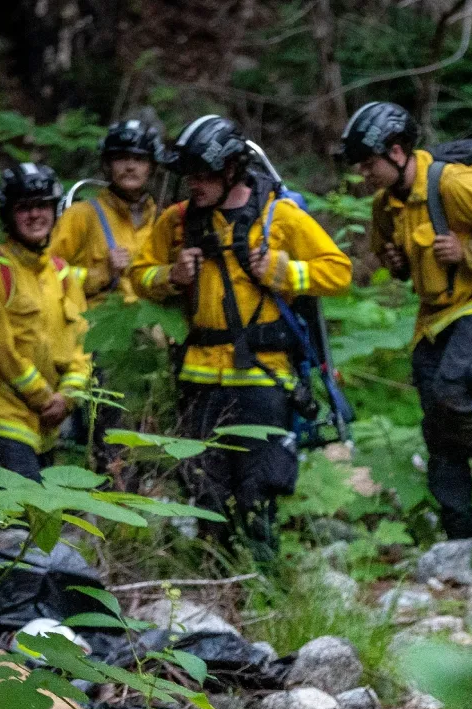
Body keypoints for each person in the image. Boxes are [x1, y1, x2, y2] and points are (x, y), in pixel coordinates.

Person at [130, 115, 352, 559]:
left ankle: (263, 579)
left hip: (262, 376)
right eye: (189, 175)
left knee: (258, 488)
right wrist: (169, 277)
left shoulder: (279, 215)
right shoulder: (176, 221)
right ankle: (215, 579)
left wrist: (287, 272)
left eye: (204, 174)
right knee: (203, 486)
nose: (194, 184)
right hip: (198, 376)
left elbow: (339, 271)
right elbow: (139, 274)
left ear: (232, 168)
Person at [338, 102, 472, 541]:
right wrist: (393, 262)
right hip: (433, 316)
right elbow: (389, 260)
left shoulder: (452, 183)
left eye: (369, 163)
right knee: (435, 421)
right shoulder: (384, 206)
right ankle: (460, 533)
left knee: (453, 390)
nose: (364, 173)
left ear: (396, 152)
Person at [0, 164, 90, 481]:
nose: (35, 215)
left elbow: (82, 348)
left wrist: (68, 396)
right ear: (8, 215)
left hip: (46, 423)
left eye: (42, 205)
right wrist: (44, 398)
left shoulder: (62, 274)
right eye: (24, 208)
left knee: (43, 520)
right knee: (18, 522)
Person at [50, 119, 163, 307]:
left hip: (150, 327)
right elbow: (44, 273)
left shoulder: (161, 220)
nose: (130, 166)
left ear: (152, 167)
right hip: (97, 326)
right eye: (121, 158)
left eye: (139, 159)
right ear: (107, 165)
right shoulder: (82, 215)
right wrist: (102, 274)